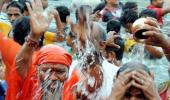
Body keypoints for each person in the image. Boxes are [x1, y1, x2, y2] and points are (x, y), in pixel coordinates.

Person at [5, 1, 72, 100]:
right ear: (37, 70)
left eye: (59, 71)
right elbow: (22, 62)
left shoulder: (73, 89)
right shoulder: (30, 77)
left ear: (68, 72)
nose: (52, 77)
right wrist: (34, 36)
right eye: (46, 70)